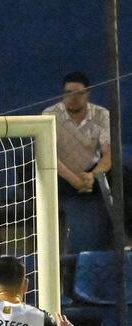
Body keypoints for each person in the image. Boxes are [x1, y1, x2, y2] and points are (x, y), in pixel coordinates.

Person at [42, 72, 112, 253]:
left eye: (78, 93)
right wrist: (74, 179)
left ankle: (113, 241)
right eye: (68, 93)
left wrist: (92, 176)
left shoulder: (101, 115)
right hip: (61, 175)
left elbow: (108, 155)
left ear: (88, 93)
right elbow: (49, 155)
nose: (72, 98)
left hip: (91, 174)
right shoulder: (49, 115)